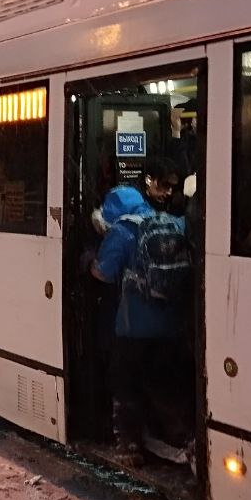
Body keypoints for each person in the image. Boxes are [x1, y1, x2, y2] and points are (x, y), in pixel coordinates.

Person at [91, 157, 191, 461]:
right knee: (164, 380)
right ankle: (179, 435)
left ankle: (131, 444)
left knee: (125, 381)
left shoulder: (121, 231)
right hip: (172, 323)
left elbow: (103, 273)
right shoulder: (168, 221)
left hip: (134, 325)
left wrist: (89, 262)